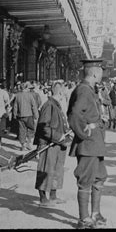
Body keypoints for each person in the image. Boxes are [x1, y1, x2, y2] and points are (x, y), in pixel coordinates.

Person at [67, 59, 108, 229]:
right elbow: (74, 114)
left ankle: (95, 213)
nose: (102, 74)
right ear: (94, 73)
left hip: (95, 144)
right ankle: (83, 219)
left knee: (99, 177)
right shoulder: (84, 90)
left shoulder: (90, 90)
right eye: (101, 71)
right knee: (85, 180)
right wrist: (84, 132)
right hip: (88, 144)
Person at [34, 80, 70, 208]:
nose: (65, 93)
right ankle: (43, 199)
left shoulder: (56, 105)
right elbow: (43, 127)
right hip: (49, 144)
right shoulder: (49, 105)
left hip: (57, 144)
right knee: (45, 170)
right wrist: (58, 136)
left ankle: (53, 197)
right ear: (59, 92)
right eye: (63, 91)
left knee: (56, 171)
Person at [12, 82, 39, 151]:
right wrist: (36, 115)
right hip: (29, 115)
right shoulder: (30, 95)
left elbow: (15, 106)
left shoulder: (17, 95)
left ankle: (23, 144)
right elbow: (34, 106)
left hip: (20, 116)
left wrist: (14, 115)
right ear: (26, 88)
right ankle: (28, 142)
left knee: (21, 130)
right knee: (31, 129)